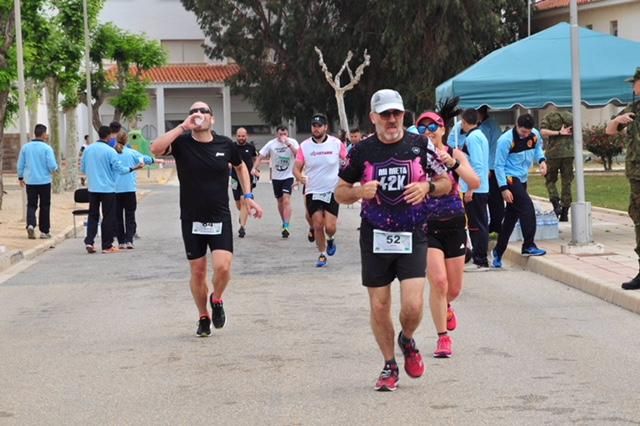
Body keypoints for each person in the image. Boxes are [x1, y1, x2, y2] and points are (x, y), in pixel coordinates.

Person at [335, 89, 451, 392]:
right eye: (385, 114)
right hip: (375, 233)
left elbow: (446, 181)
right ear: (374, 118)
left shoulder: (419, 145)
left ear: (403, 115)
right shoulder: (361, 151)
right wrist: (359, 192)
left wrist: (427, 187)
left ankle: (407, 338)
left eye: (396, 113)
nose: (391, 119)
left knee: (412, 305)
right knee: (379, 305)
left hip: (412, 232)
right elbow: (340, 190)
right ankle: (389, 364)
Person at [150, 101, 263, 337]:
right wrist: (182, 127)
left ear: (212, 119)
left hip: (219, 215)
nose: (198, 114)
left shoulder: (225, 144)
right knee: (199, 271)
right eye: (193, 111)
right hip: (192, 217)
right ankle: (203, 316)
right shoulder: (181, 143)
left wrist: (248, 195)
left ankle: (217, 298)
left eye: (203, 111)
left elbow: (241, 167)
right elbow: (155, 149)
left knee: (223, 267)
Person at [416, 111, 479, 359]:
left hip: (454, 224)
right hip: (427, 226)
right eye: (422, 129)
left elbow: (474, 182)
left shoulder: (455, 153)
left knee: (452, 289)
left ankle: (447, 307)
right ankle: (443, 338)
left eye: (433, 127)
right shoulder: (417, 157)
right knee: (438, 283)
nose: (428, 132)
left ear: (443, 129)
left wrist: (453, 164)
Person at [492, 113, 547, 268]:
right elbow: (498, 166)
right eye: (523, 132)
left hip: (522, 178)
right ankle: (528, 245)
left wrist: (542, 161)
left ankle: (498, 251)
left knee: (510, 218)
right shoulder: (505, 140)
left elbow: (538, 149)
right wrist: (503, 188)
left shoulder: (534, 135)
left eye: (528, 132)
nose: (525, 135)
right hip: (510, 178)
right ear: (517, 126)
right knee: (527, 208)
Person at [294, 113, 347, 267]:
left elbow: (348, 160)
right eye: (314, 126)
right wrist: (300, 177)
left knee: (330, 227)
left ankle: (330, 239)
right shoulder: (304, 146)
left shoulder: (336, 143)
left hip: (332, 190)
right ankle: (322, 254)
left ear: (325, 127)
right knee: (317, 224)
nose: (316, 129)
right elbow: (296, 168)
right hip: (313, 190)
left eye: (319, 126)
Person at [81, 125, 142, 254]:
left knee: (93, 215)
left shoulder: (88, 150)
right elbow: (119, 169)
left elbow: (82, 168)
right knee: (108, 217)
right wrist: (132, 168)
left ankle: (89, 241)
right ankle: (106, 245)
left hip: (93, 188)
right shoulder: (110, 151)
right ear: (109, 136)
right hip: (108, 189)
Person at [606, 67, 640, 290]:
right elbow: (609, 131)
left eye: (634, 82)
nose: (633, 87)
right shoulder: (633, 108)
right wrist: (618, 119)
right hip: (636, 175)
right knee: (638, 218)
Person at [252, 125, 299, 238]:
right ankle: (284, 222)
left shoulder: (292, 142)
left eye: (285, 134)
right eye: (280, 134)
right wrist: (254, 168)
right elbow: (260, 156)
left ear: (287, 134)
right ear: (276, 134)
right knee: (280, 201)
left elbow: (298, 154)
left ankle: (287, 225)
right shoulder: (271, 144)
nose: (283, 136)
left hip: (289, 175)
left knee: (286, 199)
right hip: (276, 177)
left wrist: (288, 144)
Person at [458, 108, 490, 268]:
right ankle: (480, 256)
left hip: (476, 188)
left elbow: (477, 164)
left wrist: (471, 188)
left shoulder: (472, 138)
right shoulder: (480, 135)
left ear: (464, 122)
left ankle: (480, 258)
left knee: (476, 225)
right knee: (479, 223)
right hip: (480, 187)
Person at [17, 124, 58, 239]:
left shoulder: (26, 147)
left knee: (31, 204)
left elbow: (20, 164)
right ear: (44, 134)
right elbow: (52, 165)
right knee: (45, 206)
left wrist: (20, 177)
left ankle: (30, 224)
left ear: (35, 133)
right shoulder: (47, 148)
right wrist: (54, 170)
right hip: (44, 181)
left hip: (30, 181)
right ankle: (44, 232)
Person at [114, 131, 154, 249]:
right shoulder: (132, 153)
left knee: (118, 217)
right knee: (130, 216)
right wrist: (153, 160)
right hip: (129, 189)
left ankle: (120, 241)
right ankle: (129, 240)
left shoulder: (111, 153)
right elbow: (145, 159)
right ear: (127, 141)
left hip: (115, 190)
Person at [540, 109, 574, 221]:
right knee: (567, 182)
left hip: (553, 153)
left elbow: (543, 132)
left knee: (550, 180)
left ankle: (556, 204)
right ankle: (565, 212)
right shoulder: (572, 116)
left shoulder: (550, 116)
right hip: (569, 153)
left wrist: (558, 133)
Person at [477, 106, 504, 235]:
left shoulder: (484, 128)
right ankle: (497, 224)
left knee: (492, 199)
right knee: (497, 199)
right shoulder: (494, 123)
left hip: (489, 167)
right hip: (496, 165)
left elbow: (484, 149)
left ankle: (494, 226)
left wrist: (485, 168)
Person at [231, 127, 258, 238]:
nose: (241, 138)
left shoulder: (251, 147)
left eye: (243, 136)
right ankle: (243, 213)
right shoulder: (232, 147)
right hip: (234, 178)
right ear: (236, 136)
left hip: (248, 179)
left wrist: (256, 170)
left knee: (243, 200)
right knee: (238, 203)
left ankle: (242, 227)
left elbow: (256, 159)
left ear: (246, 136)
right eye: (239, 136)